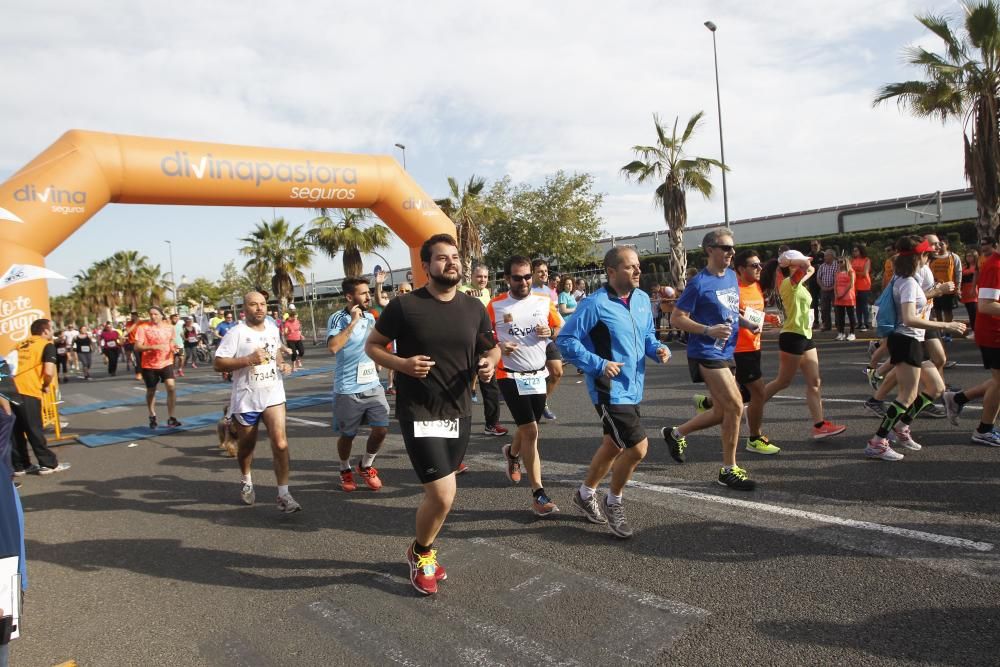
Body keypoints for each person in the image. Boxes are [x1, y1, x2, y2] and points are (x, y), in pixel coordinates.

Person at [363, 234, 499, 595]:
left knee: (443, 493)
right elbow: (372, 346)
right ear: (426, 266)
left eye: (455, 257)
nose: (450, 263)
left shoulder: (473, 308)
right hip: (419, 410)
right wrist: (403, 364)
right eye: (441, 258)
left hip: (459, 410)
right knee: (442, 494)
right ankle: (421, 553)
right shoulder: (405, 307)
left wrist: (488, 363)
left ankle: (422, 548)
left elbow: (493, 349)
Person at [558, 246, 670, 537]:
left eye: (638, 266)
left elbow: (647, 335)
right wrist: (598, 364)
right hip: (609, 390)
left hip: (634, 386)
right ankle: (614, 501)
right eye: (630, 266)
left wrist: (659, 349)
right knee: (637, 448)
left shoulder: (643, 299)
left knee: (613, 445)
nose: (637, 271)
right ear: (611, 272)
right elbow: (566, 340)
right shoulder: (594, 304)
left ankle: (584, 494)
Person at [660, 231, 758, 491]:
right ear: (709, 250)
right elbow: (677, 318)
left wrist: (747, 323)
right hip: (706, 351)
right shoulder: (698, 283)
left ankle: (676, 433)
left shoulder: (730, 277)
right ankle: (729, 469)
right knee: (737, 405)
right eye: (725, 248)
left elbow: (731, 309)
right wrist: (707, 330)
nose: (731, 253)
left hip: (727, 351)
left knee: (722, 411)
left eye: (733, 248)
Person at [865, 236, 965, 461]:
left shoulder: (904, 278)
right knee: (907, 395)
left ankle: (901, 427)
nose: (929, 256)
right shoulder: (908, 283)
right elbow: (909, 318)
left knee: (936, 387)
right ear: (919, 257)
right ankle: (877, 442)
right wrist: (946, 324)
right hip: (906, 339)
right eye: (927, 254)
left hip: (913, 341)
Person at [488, 255, 564, 517]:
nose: (523, 282)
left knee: (528, 425)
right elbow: (483, 338)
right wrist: (497, 346)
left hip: (538, 374)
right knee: (531, 430)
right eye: (517, 277)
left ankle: (511, 452)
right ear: (507, 278)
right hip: (509, 375)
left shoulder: (544, 301)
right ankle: (538, 493)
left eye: (527, 276)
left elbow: (560, 326)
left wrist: (550, 333)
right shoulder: (495, 305)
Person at [214, 291, 301, 512]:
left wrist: (283, 364)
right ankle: (246, 479)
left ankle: (283, 494)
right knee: (247, 447)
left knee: (281, 443)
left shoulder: (272, 329)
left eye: (262, 304)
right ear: (245, 309)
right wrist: (247, 360)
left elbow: (277, 354)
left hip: (273, 395)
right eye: (254, 304)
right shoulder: (236, 333)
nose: (260, 308)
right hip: (246, 398)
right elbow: (218, 363)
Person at [692, 250, 783, 454]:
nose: (759, 268)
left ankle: (704, 403)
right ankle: (755, 438)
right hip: (737, 349)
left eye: (760, 265)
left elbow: (752, 314)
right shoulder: (734, 288)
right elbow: (727, 314)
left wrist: (768, 319)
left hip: (754, 346)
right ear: (741, 269)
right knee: (756, 392)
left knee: (738, 397)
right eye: (754, 265)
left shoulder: (757, 286)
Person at [758, 251, 847, 439]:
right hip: (792, 336)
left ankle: (819, 425)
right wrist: (790, 261)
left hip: (805, 336)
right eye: (801, 261)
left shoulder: (797, 282)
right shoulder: (788, 283)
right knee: (783, 382)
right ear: (792, 267)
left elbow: (811, 268)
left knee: (815, 382)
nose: (806, 263)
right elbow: (808, 267)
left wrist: (796, 262)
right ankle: (753, 408)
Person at [327, 277, 389, 492]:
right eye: (363, 293)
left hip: (372, 385)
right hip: (347, 389)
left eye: (368, 292)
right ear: (349, 297)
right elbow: (333, 347)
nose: (368, 296)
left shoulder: (371, 318)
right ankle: (345, 469)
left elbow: (375, 343)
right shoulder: (338, 318)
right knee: (348, 436)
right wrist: (353, 322)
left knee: (381, 429)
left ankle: (366, 465)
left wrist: (376, 360)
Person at [11, 319, 69, 475]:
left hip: (10, 389)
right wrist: (45, 385)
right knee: (33, 428)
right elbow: (49, 371)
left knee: (16, 430)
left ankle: (20, 465)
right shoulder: (46, 345)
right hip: (28, 390)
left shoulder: (20, 344)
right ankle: (48, 464)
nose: (52, 332)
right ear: (44, 331)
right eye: (51, 329)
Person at [463, 264, 508, 438]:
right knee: (462, 387)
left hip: (483, 341)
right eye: (479, 276)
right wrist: (467, 296)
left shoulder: (487, 293)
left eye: (485, 277)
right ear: (471, 277)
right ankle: (456, 431)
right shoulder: (464, 290)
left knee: (490, 384)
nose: (482, 280)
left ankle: (491, 424)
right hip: (465, 342)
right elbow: (458, 296)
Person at [134, 306, 182, 429]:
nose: (153, 316)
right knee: (151, 391)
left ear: (161, 315)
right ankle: (152, 414)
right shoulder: (143, 328)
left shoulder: (170, 328)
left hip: (166, 362)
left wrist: (173, 348)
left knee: (171, 387)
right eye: (151, 314)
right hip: (149, 364)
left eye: (155, 314)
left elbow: (171, 342)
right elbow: (137, 347)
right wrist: (153, 347)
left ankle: (171, 418)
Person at [530, 259, 564, 420]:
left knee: (557, 372)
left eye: (546, 271)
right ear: (532, 273)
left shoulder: (548, 291)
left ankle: (543, 402)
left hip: (547, 338)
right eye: (540, 271)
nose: (544, 274)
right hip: (529, 340)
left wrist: (554, 330)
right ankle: (531, 408)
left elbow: (553, 315)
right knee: (534, 376)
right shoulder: (526, 289)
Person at [833, 256, 857, 341]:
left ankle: (852, 333)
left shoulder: (850, 271)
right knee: (840, 316)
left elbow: (851, 284)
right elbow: (835, 284)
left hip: (848, 296)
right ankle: (841, 333)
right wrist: (836, 294)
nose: (839, 264)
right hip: (839, 297)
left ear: (845, 262)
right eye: (838, 262)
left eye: (841, 262)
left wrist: (842, 294)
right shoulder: (837, 272)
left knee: (851, 316)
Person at [851, 243, 872, 331]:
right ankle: (859, 323)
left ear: (860, 251)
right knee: (858, 306)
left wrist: (854, 273)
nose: (854, 252)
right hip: (855, 285)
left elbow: (864, 273)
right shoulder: (852, 260)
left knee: (864, 305)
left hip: (864, 285)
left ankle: (866, 323)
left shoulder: (866, 260)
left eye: (856, 251)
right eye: (853, 251)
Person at [816, 250, 838, 331]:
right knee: (824, 308)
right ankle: (826, 325)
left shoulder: (837, 265)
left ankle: (838, 325)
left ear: (832, 256)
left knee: (837, 308)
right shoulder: (822, 266)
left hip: (834, 290)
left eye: (826, 256)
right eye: (824, 256)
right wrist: (822, 287)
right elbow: (818, 278)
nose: (824, 258)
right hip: (824, 290)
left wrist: (832, 287)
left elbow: (839, 278)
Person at [807, 239, 825, 327]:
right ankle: (816, 321)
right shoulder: (809, 256)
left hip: (823, 281)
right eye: (812, 245)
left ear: (819, 245)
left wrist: (819, 266)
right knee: (813, 302)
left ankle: (825, 322)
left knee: (823, 302)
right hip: (813, 281)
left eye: (815, 245)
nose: (814, 247)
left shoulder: (824, 255)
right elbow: (806, 267)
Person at [961, 248, 979, 331]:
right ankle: (974, 330)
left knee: (974, 313)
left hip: (974, 290)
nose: (968, 258)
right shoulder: (964, 266)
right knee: (970, 312)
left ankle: (976, 330)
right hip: (965, 291)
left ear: (975, 256)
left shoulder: (977, 266)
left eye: (970, 256)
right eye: (967, 256)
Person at [283, 305, 305, 370]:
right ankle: (293, 366)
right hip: (290, 340)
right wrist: (289, 331)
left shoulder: (297, 321)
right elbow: (285, 332)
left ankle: (298, 360)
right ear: (291, 317)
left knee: (302, 351)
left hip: (298, 339)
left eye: (296, 317)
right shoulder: (287, 323)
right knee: (294, 353)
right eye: (294, 318)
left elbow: (299, 329)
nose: (295, 319)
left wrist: (301, 335)